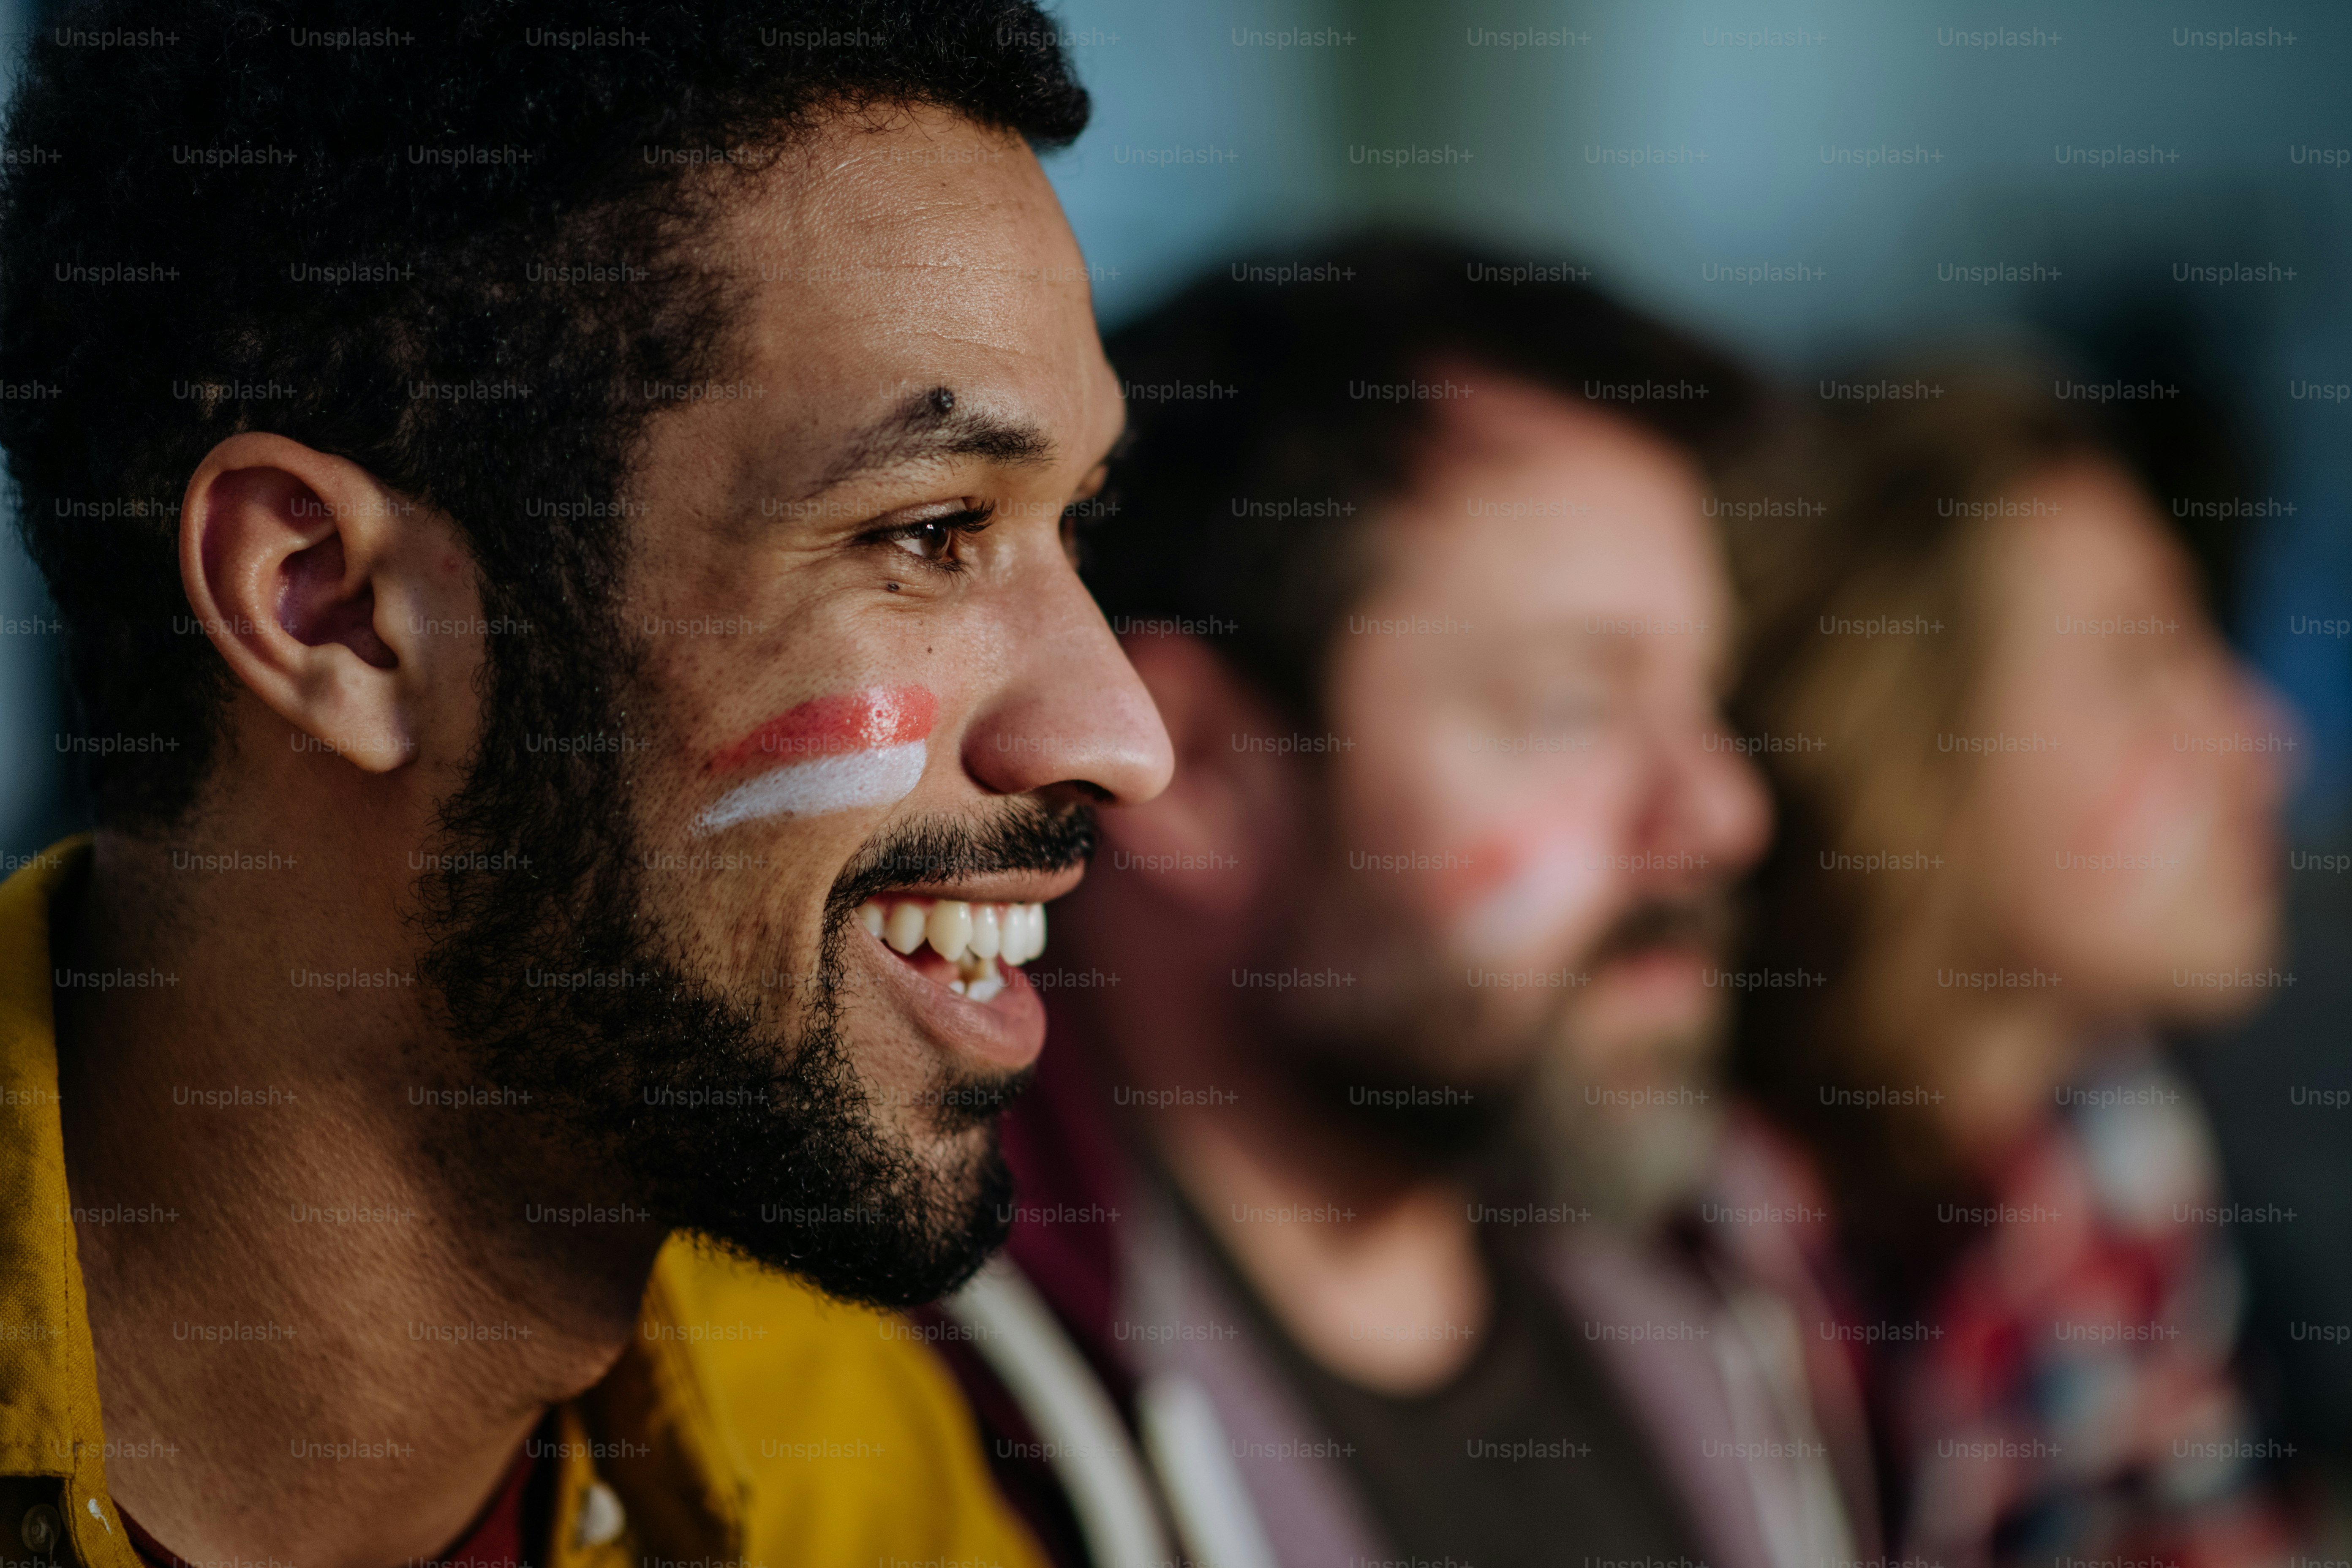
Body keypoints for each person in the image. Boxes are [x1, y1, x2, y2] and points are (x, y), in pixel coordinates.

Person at [0, 3, 1173, 1564]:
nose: (1122, 736)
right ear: (332, 609)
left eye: (1071, 525)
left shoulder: (837, 1467)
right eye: (929, 532)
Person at [914, 234, 1878, 1568]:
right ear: (1197, 772)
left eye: (1703, 700)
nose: (1721, 815)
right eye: (1572, 706)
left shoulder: (1737, 1291)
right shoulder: (927, 1423)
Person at [1727, 364, 2305, 1568]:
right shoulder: (1689, 1262)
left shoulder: (2110, 1149)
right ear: (1895, 735)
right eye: (2141, 668)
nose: (2266, 744)